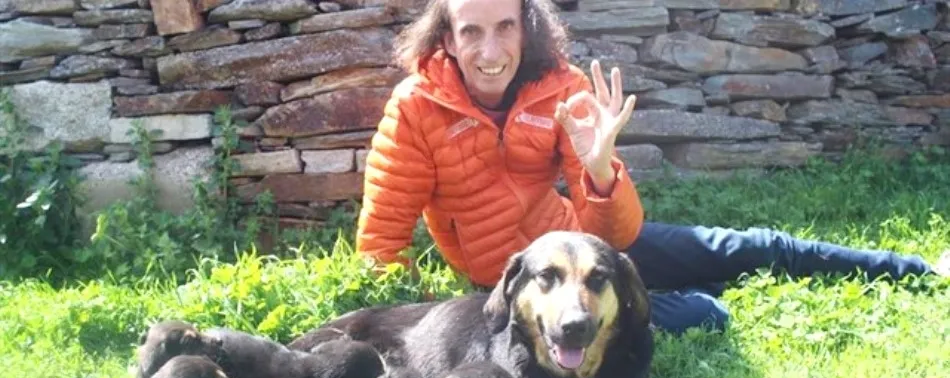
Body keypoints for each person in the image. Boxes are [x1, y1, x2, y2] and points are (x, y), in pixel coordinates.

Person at [354, 0, 949, 335]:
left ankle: (918, 268)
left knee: (751, 244)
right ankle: (690, 295)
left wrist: (599, 169)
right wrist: (433, 314)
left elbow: (614, 236)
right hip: (530, 286)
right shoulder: (415, 109)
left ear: (526, 27)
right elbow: (381, 240)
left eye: (505, 26)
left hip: (591, 250)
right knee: (704, 312)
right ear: (448, 40)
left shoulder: (560, 87)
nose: (491, 51)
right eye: (472, 32)